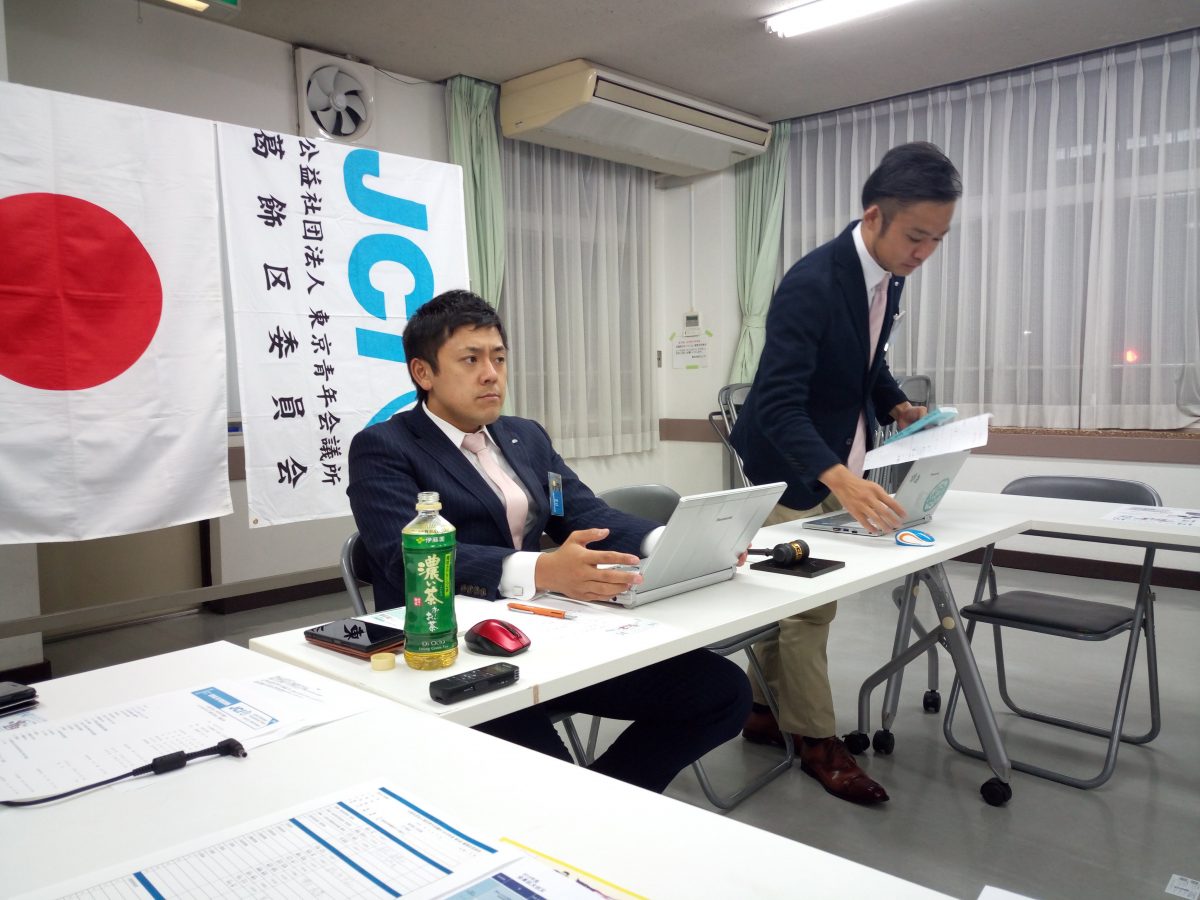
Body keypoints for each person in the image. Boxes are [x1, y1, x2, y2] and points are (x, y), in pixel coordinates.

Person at [348, 289, 751, 794]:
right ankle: (585, 812)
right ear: (423, 373)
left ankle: (605, 802)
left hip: (549, 634)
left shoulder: (525, 436)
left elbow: (583, 513)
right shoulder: (384, 447)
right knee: (550, 782)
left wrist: (674, 539)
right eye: (470, 360)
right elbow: (398, 555)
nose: (491, 374)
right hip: (454, 649)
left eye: (498, 358)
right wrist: (542, 570)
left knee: (724, 692)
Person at [730, 141, 962, 805]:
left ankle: (764, 713)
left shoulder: (888, 275)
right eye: (916, 236)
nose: (924, 253)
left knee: (784, 602)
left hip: (833, 457)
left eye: (938, 240)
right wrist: (841, 479)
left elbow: (865, 361)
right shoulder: (811, 283)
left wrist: (895, 403)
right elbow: (776, 404)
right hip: (789, 468)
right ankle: (817, 741)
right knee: (808, 610)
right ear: (874, 217)